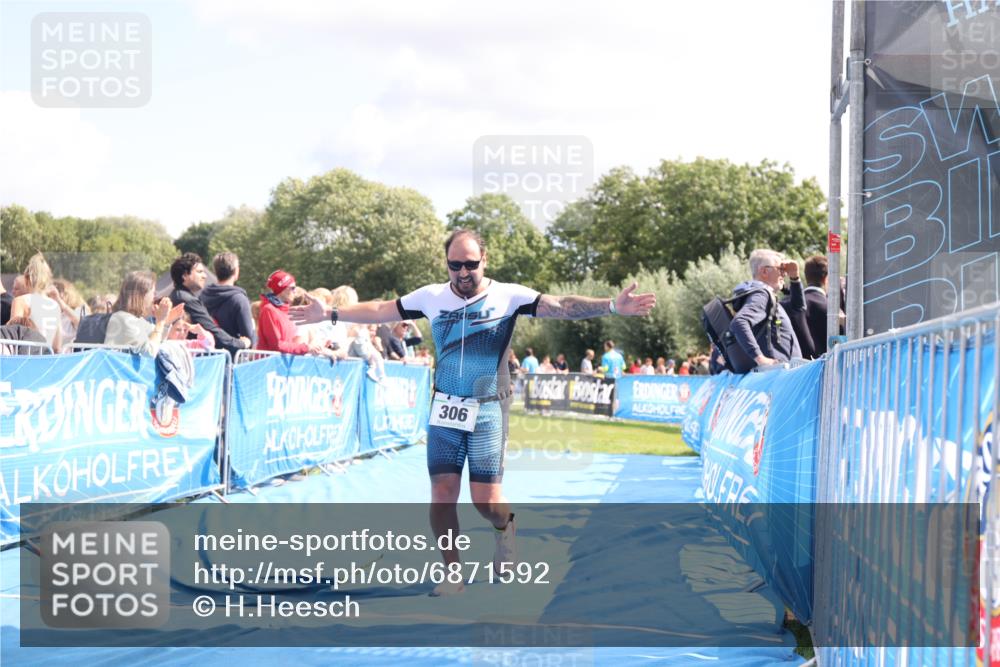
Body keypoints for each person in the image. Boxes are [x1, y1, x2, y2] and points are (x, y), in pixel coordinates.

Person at [290, 228, 655, 596]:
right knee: (443, 492)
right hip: (445, 408)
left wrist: (611, 305)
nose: (463, 273)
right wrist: (332, 312)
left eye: (471, 264)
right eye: (454, 265)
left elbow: (560, 305)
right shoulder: (431, 296)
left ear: (485, 261)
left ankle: (505, 527)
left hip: (488, 410)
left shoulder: (508, 296)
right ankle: (452, 572)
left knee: (485, 501)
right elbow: (382, 309)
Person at [730, 249, 802, 368]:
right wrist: (760, 358)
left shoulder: (765, 295)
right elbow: (739, 322)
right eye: (780, 269)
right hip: (777, 375)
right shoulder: (762, 294)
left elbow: (797, 308)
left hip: (778, 375)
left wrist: (795, 278)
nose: (784, 274)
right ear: (764, 271)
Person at [169, 253, 251, 356]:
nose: (205, 276)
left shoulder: (179, 296)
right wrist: (240, 344)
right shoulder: (187, 300)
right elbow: (212, 331)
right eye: (199, 272)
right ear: (185, 275)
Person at [257, 270, 336, 359]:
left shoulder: (286, 310)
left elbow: (291, 344)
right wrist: (307, 348)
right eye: (293, 288)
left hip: (282, 364)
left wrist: (320, 345)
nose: (295, 291)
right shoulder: (269, 310)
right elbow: (277, 345)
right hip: (267, 366)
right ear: (282, 289)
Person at [104, 271, 180, 356]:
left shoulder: (137, 320)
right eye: (153, 292)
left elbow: (157, 340)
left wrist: (166, 322)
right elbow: (149, 352)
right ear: (141, 295)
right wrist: (160, 322)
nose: (155, 296)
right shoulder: (123, 319)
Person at [199, 251, 256, 347]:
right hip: (233, 357)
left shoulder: (202, 297)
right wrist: (253, 328)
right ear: (236, 271)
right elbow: (248, 338)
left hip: (206, 355)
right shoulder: (239, 300)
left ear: (215, 271)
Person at [9, 254, 62, 353]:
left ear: (27, 278)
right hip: (48, 360)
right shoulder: (55, 305)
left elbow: (13, 336)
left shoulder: (20, 301)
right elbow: (57, 347)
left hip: (26, 360)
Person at [801, 254, 843, 358]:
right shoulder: (831, 308)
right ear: (827, 279)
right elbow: (839, 347)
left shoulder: (789, 304)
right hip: (825, 369)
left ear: (806, 276)